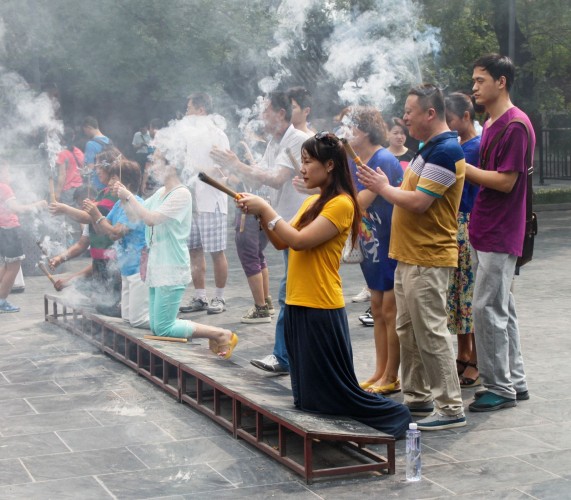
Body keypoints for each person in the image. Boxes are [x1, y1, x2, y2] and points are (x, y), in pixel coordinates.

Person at [236, 132, 411, 438]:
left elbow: (301, 241)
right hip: (298, 304)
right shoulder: (315, 202)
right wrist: (261, 217)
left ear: (329, 165)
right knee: (308, 395)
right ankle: (322, 437)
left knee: (339, 394)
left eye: (308, 161)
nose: (302, 169)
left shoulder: (342, 204)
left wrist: (265, 208)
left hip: (321, 307)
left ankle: (398, 418)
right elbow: (282, 242)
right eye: (302, 161)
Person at [357, 84, 467, 431]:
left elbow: (420, 202)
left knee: (430, 332)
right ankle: (417, 395)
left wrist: (381, 188)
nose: (404, 118)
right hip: (408, 256)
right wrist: (384, 186)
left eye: (409, 111)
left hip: (428, 257)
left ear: (429, 114)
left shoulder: (446, 151)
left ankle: (450, 407)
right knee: (407, 329)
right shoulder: (427, 149)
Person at [211, 91, 310, 374]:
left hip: (300, 223)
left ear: (280, 113)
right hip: (284, 223)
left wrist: (236, 165)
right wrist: (236, 172)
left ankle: (285, 356)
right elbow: (262, 174)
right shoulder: (274, 142)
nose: (261, 116)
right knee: (290, 291)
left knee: (288, 292)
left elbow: (276, 179)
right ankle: (291, 355)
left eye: (266, 111)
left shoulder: (298, 140)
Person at [113, 153, 238, 358]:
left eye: (155, 162)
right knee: (156, 325)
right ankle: (216, 335)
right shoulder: (162, 191)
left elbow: (152, 218)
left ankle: (220, 334)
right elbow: (137, 215)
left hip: (171, 265)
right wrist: (124, 199)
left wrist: (128, 196)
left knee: (163, 327)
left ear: (170, 166)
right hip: (157, 264)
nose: (151, 167)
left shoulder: (182, 194)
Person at [465, 54, 534, 412]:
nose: (474, 87)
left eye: (480, 80)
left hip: (500, 229)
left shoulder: (515, 125)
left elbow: (506, 182)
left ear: (500, 82)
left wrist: (463, 169)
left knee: (486, 308)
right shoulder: (492, 123)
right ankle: (514, 381)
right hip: (487, 226)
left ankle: (499, 387)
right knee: (501, 306)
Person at [348, 107, 404, 395]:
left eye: (353, 128)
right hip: (370, 243)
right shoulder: (355, 159)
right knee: (378, 310)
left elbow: (358, 201)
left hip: (389, 242)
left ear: (367, 131)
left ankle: (392, 374)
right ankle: (380, 370)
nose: (349, 133)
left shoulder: (384, 159)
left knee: (390, 310)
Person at [49, 148, 122, 315]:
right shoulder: (103, 194)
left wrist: (65, 209)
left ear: (110, 169)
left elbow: (89, 217)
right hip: (99, 264)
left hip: (114, 264)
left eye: (99, 167)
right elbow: (83, 242)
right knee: (101, 304)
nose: (96, 171)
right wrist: (61, 258)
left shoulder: (115, 196)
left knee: (111, 307)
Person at [178, 93, 231, 315]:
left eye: (189, 108)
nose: (186, 112)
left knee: (216, 251)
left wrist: (195, 166)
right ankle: (200, 296)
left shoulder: (217, 134)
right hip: (192, 202)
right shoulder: (188, 137)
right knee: (194, 250)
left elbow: (223, 170)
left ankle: (219, 298)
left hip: (212, 201)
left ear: (201, 110)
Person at [83, 159, 149, 328]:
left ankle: (168, 326)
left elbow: (114, 233)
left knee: (138, 319)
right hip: (126, 269)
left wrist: (96, 214)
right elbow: (101, 230)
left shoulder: (135, 204)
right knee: (127, 319)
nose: (110, 183)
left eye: (114, 178)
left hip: (138, 269)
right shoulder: (120, 204)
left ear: (126, 182)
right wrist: (93, 214)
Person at [445, 92, 481, 387]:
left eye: (452, 120)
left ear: (465, 117)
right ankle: (463, 351)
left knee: (470, 294)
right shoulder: (459, 146)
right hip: (455, 223)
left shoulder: (475, 147)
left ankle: (477, 359)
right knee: (457, 295)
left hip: (470, 223)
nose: (449, 125)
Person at [0, 162, 48, 313]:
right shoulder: (4, 187)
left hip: (3, 229)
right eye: (7, 173)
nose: (10, 176)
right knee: (13, 266)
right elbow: (16, 209)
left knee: (8, 265)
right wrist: (37, 205)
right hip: (9, 229)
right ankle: (1, 301)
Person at [82, 116, 113, 193]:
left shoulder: (90, 144)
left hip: (97, 185)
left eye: (85, 131)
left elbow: (90, 167)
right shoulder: (109, 141)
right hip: (109, 182)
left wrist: (82, 172)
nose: (85, 133)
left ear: (88, 128)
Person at [55, 128, 84, 205]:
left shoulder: (62, 154)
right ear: (73, 137)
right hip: (80, 188)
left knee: (69, 214)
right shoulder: (79, 152)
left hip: (68, 191)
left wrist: (57, 193)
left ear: (62, 139)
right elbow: (83, 169)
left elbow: (62, 175)